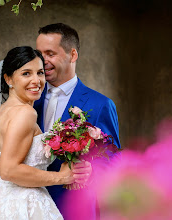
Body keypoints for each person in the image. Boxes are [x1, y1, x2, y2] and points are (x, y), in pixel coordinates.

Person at [0, 46, 79, 220]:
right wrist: (62, 177)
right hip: (25, 207)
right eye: (26, 73)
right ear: (8, 79)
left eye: (40, 73)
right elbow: (8, 170)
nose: (36, 80)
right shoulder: (25, 113)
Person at [34, 23, 121, 219]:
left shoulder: (101, 104)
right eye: (39, 54)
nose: (42, 61)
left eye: (50, 53)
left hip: (73, 209)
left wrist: (91, 169)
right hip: (31, 206)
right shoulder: (28, 101)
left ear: (72, 55)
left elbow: (115, 161)